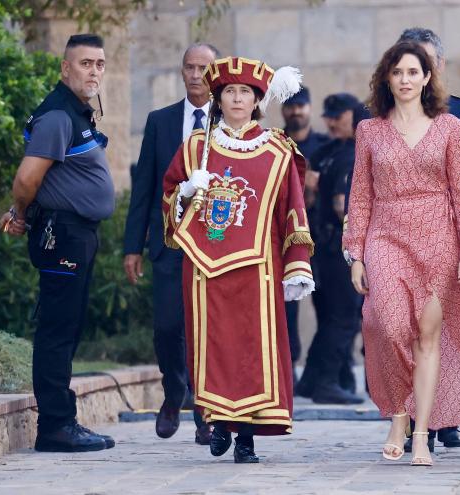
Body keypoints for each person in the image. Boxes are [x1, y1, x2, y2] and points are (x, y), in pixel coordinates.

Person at [343, 41, 460, 467]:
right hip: (386, 235)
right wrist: (356, 253)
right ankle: (399, 411)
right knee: (388, 325)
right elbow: (360, 194)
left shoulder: (452, 126)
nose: (405, 80)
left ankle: (418, 434)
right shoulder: (369, 130)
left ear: (427, 77)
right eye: (397, 73)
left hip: (438, 238)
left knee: (427, 338)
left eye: (413, 72)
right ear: (387, 78)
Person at [161, 56, 314, 463]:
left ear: (257, 100)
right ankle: (216, 421)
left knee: (250, 353)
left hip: (257, 270)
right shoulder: (197, 147)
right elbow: (169, 195)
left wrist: (297, 263)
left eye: (245, 91)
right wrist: (186, 193)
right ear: (218, 98)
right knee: (213, 348)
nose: (236, 98)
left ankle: (244, 435)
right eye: (229, 91)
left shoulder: (278, 149)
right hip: (204, 269)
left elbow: (293, 210)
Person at [0, 34, 116, 453]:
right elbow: (27, 179)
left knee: (67, 326)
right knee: (56, 329)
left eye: (100, 64)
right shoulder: (58, 115)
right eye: (85, 63)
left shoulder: (75, 113)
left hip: (76, 234)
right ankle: (55, 427)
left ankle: (62, 421)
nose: (94, 71)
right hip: (62, 234)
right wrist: (21, 213)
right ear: (65, 69)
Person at [397, 26, 460, 451]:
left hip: (450, 242)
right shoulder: (381, 115)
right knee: (401, 329)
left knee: (445, 333)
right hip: (398, 242)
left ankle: (445, 418)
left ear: (438, 67)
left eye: (426, 63)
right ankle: (409, 414)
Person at [123, 42, 218, 445]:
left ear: (216, 74)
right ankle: (173, 390)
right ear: (181, 72)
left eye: (203, 68)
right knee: (167, 326)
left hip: (216, 244)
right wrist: (133, 246)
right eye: (189, 67)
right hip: (169, 241)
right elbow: (143, 187)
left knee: (208, 328)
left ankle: (206, 409)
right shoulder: (160, 121)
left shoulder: (231, 121)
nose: (195, 75)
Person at [296, 93, 368, 405]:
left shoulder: (326, 152)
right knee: (344, 318)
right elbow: (343, 207)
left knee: (329, 318)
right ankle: (325, 382)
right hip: (339, 247)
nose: (330, 121)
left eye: (337, 116)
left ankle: (312, 380)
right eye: (329, 116)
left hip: (322, 247)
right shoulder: (348, 153)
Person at [281, 86, 330, 375]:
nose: (296, 111)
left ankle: (331, 373)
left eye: (301, 106)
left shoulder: (325, 145)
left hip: (323, 237)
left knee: (329, 307)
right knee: (287, 307)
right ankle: (288, 370)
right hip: (287, 238)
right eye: (291, 106)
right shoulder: (275, 144)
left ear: (309, 108)